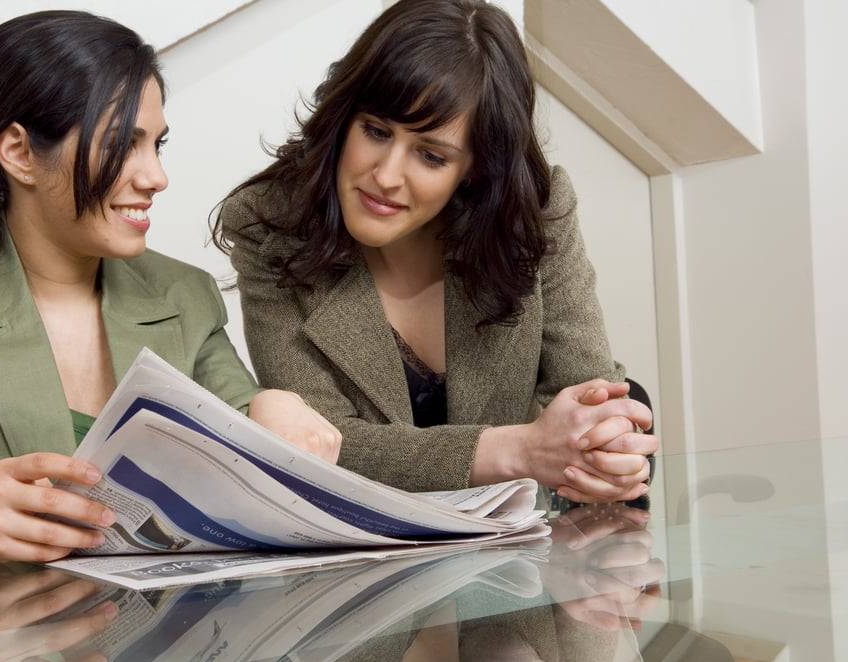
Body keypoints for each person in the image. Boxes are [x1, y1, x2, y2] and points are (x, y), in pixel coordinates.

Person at [0, 10, 340, 564]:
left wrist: (270, 409)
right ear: (18, 152)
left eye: (157, 145)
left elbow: (237, 426)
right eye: (122, 145)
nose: (155, 176)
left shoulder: (185, 295)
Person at [214, 0, 657, 506]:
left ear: (475, 166)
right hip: (362, 562)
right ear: (345, 117)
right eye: (376, 131)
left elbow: (587, 394)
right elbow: (321, 446)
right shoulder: (270, 225)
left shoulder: (535, 213)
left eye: (430, 155)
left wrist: (610, 451)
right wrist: (517, 450)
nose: (385, 176)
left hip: (518, 557)